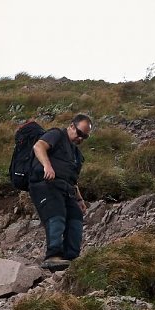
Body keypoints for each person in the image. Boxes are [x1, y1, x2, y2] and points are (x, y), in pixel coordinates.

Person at [29, 114, 92, 270]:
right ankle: (53, 255)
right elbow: (39, 146)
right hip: (45, 184)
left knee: (76, 218)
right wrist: (47, 166)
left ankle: (72, 257)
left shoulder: (76, 154)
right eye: (79, 133)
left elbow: (73, 179)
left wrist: (79, 199)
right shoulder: (56, 134)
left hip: (66, 188)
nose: (81, 139)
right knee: (56, 215)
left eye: (85, 137)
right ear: (71, 126)